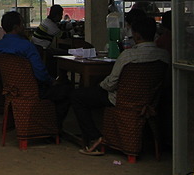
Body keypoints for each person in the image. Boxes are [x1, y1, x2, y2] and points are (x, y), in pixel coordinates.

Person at [72, 15, 171, 155]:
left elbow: (111, 83)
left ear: (135, 35)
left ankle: (95, 138)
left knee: (78, 96)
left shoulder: (127, 56)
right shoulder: (164, 56)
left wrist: (100, 84)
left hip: (120, 99)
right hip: (149, 101)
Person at [0, 10, 71, 127]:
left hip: (9, 91)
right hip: (34, 91)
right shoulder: (28, 46)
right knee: (67, 90)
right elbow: (40, 74)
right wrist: (51, 81)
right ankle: (52, 127)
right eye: (22, 24)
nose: (24, 27)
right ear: (16, 27)